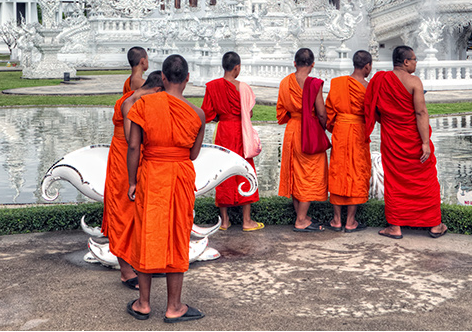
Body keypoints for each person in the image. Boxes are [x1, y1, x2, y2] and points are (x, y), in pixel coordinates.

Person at [125, 54, 206, 323]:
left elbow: (134, 145)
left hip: (151, 174)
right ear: (186, 79)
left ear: (163, 77)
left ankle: (144, 303)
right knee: (177, 234)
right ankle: (174, 306)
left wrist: (133, 181)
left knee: (148, 232)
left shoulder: (145, 103)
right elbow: (193, 154)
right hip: (180, 175)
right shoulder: (197, 113)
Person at [364, 45, 447, 239]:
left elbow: (372, 108)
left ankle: (395, 226)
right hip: (414, 139)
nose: (416, 63)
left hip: (393, 139)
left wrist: (389, 121)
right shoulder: (414, 82)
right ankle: (435, 224)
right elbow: (420, 112)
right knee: (426, 179)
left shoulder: (380, 80)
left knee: (395, 181)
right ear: (406, 62)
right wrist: (425, 143)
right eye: (415, 59)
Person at [104, 71, 164, 290]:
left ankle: (140, 264)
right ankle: (125, 270)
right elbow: (132, 140)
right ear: (157, 90)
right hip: (124, 159)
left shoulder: (138, 97)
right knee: (123, 210)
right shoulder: (131, 102)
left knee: (138, 211)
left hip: (134, 157)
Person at [201, 51, 262, 232]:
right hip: (241, 132)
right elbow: (249, 113)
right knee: (245, 169)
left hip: (224, 132)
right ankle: (246, 220)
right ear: (237, 67)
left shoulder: (212, 86)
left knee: (221, 170)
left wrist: (221, 114)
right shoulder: (243, 87)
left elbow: (208, 113)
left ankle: (225, 221)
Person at [276, 47, 328, 232]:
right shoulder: (314, 83)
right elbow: (321, 113)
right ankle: (300, 220)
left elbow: (282, 112)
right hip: (308, 130)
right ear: (312, 64)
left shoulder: (285, 82)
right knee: (309, 173)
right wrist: (321, 126)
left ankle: (302, 215)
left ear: (295, 63)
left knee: (295, 172)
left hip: (292, 131)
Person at [325, 50, 373, 232]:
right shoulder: (368, 87)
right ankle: (350, 221)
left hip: (341, 130)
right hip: (359, 132)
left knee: (338, 170)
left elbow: (329, 111)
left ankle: (336, 220)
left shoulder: (338, 84)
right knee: (357, 171)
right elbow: (373, 113)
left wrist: (335, 127)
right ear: (367, 66)